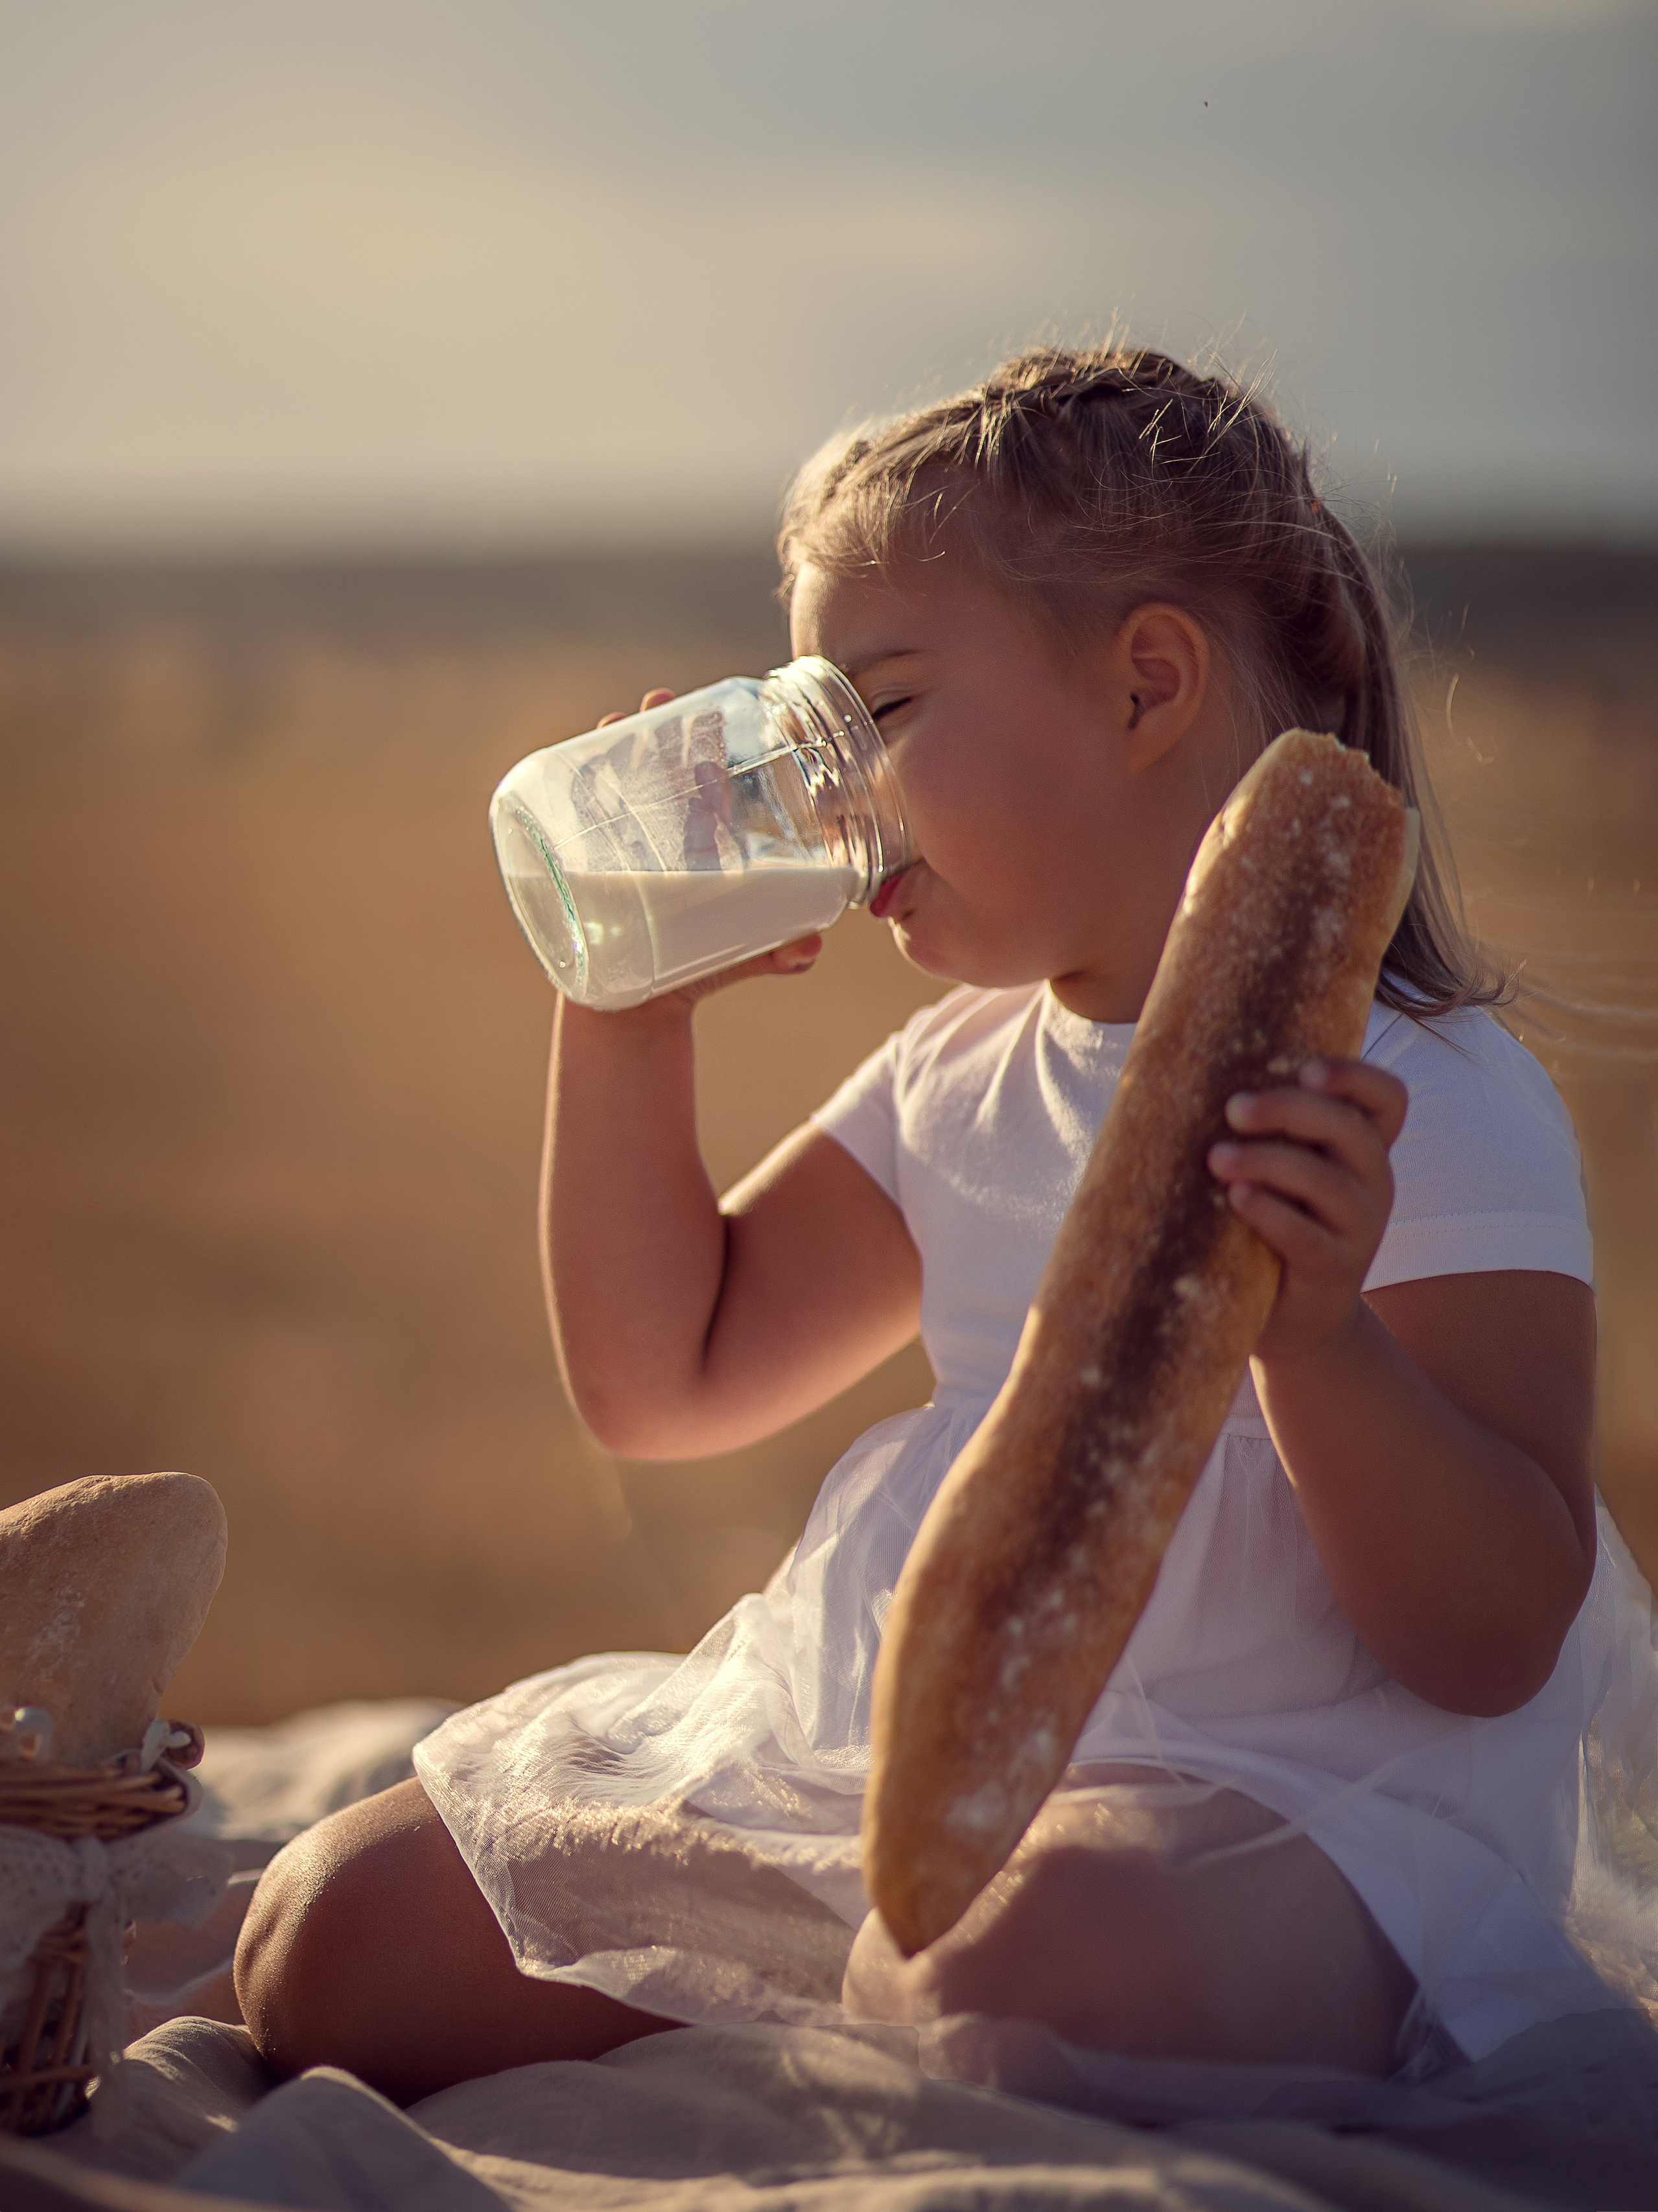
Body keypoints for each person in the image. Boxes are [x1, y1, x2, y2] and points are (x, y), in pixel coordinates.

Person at [235, 345, 1637, 2107]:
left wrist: (1319, 1335)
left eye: (879, 712)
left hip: (1280, 1805)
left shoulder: (1423, 1093)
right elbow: (667, 1380)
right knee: (329, 1941)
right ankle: (865, 1985)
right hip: (908, 1769)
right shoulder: (959, 1074)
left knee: (1028, 1979)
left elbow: (1497, 1634)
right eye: (805, 712)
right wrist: (625, 1010)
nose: (828, 788)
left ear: (1145, 689)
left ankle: (922, 2003)